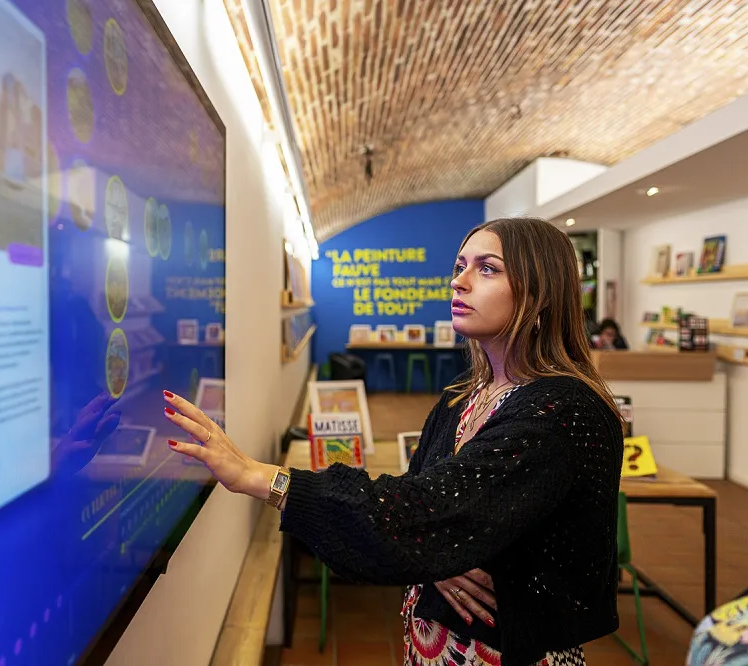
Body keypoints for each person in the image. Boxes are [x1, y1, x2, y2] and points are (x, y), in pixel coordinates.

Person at [162, 217, 625, 666]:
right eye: (459, 266)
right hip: (435, 645)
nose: (459, 282)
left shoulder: (564, 411)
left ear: (541, 294)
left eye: (487, 269)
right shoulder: (463, 398)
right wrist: (437, 550)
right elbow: (428, 509)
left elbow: (420, 515)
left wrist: (259, 476)